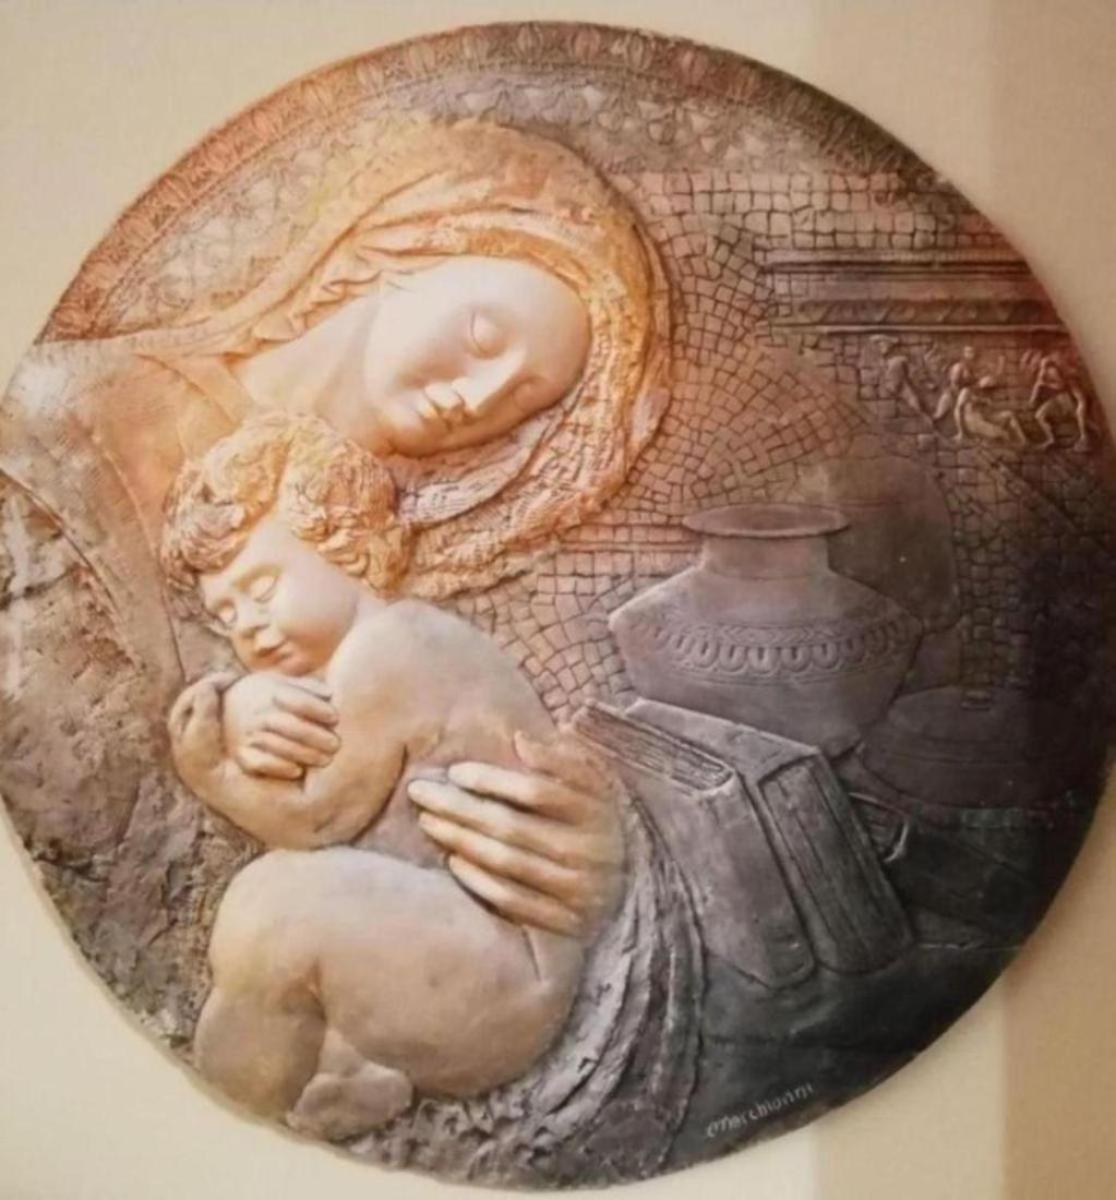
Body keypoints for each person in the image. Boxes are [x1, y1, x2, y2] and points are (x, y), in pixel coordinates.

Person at [162, 413, 614, 1138]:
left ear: (341, 543)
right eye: (225, 613)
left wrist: (210, 771)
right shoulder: (367, 654)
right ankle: (346, 1073)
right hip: (474, 955)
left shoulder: (392, 647)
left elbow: (318, 819)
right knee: (290, 904)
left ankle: (225, 1116)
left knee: (274, 911)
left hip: (510, 980)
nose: (245, 623)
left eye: (262, 586)